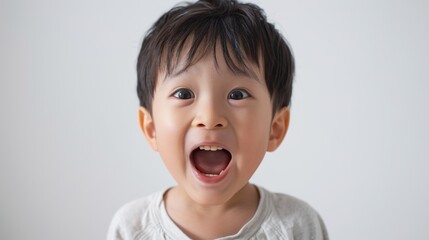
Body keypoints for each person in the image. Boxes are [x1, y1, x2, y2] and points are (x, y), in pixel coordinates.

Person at [108, 0, 328, 239]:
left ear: (274, 129)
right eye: (184, 94)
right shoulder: (132, 228)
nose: (210, 117)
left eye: (237, 95)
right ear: (152, 129)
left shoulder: (297, 226)